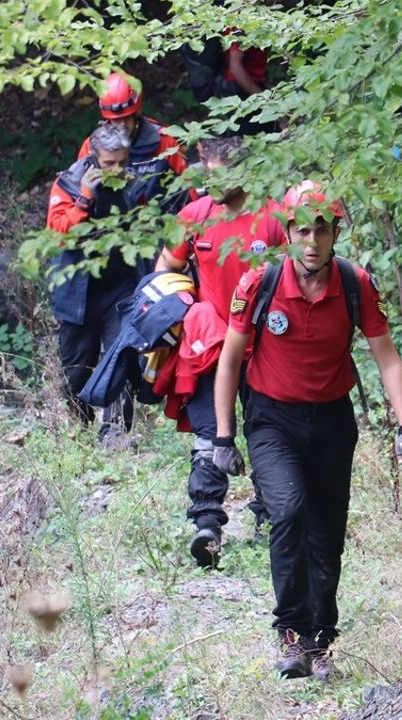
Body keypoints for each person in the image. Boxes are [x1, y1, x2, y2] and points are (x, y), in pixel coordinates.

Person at [211, 181, 402, 681]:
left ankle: (320, 641)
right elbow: (229, 360)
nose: (312, 241)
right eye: (302, 230)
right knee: (288, 511)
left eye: (322, 230)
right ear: (287, 232)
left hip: (331, 420)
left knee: (327, 532)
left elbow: (387, 358)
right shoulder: (260, 283)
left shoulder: (354, 283)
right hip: (272, 419)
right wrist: (222, 437)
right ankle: (289, 633)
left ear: (335, 234)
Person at [153, 135, 286, 569]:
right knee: (210, 433)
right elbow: (166, 269)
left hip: (265, 344)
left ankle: (271, 516)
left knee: (268, 430)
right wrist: (180, 311)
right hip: (212, 342)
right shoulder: (192, 217)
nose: (212, 186)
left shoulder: (272, 218)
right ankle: (207, 525)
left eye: (222, 177)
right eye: (208, 176)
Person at [47, 122, 145, 441]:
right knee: (75, 370)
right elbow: (58, 234)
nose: (116, 169)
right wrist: (85, 199)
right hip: (78, 290)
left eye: (122, 162)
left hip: (120, 286)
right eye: (108, 163)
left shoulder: (134, 183)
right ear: (93, 158)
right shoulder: (68, 182)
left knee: (121, 357)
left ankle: (115, 433)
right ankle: (78, 429)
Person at [77, 72, 189, 204]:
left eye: (127, 118)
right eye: (116, 120)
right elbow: (77, 191)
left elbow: (188, 189)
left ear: (136, 113)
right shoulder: (91, 146)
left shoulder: (164, 142)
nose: (122, 125)